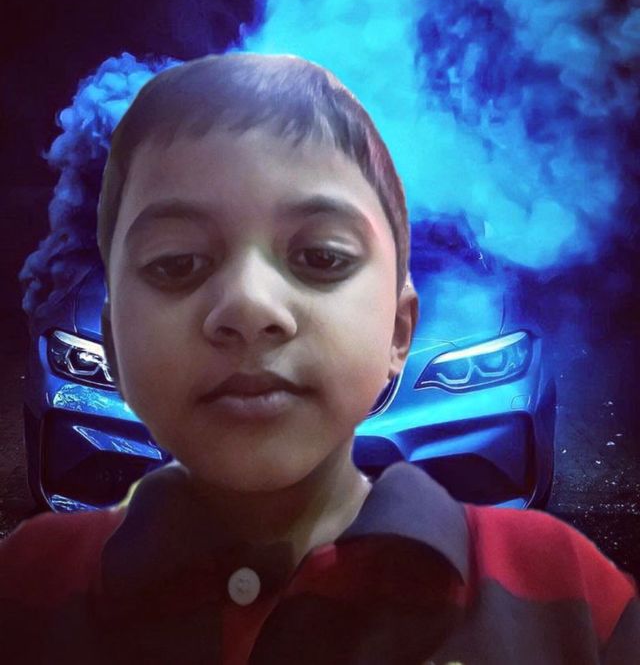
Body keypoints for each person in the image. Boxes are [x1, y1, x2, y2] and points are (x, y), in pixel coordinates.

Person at [1, 53, 638, 664]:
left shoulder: (570, 595)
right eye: (178, 260)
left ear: (400, 328)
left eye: (323, 255)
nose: (252, 306)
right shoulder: (25, 591)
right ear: (112, 341)